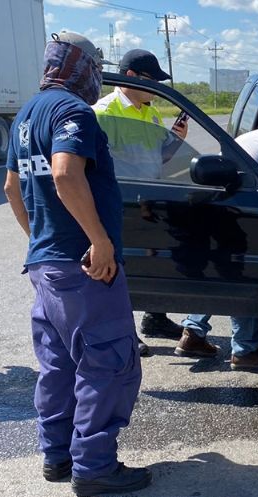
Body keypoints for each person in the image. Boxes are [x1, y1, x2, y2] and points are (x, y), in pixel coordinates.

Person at [2, 31, 150, 496]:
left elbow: (12, 188)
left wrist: (40, 240)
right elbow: (66, 173)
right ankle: (95, 466)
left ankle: (58, 456)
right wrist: (98, 240)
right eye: (94, 67)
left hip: (46, 267)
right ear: (80, 67)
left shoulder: (25, 115)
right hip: (84, 267)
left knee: (59, 366)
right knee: (107, 363)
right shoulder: (73, 111)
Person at [93, 49, 188, 348]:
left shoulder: (151, 112)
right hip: (121, 205)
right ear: (129, 76)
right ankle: (123, 333)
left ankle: (155, 318)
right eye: (151, 81)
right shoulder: (103, 113)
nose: (156, 89)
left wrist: (177, 139)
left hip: (149, 201)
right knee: (120, 272)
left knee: (152, 263)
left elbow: (158, 159)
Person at [175, 128, 258, 370]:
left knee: (223, 270)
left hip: (222, 195)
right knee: (246, 273)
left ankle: (193, 332)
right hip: (241, 201)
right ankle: (246, 349)